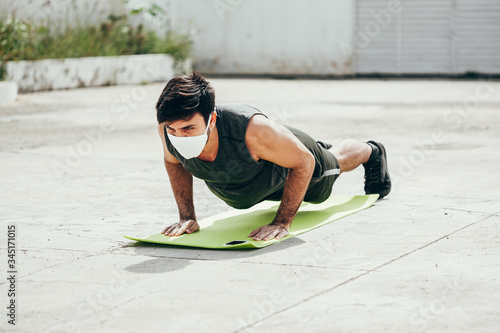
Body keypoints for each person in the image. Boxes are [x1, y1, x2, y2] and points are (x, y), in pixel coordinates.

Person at [156, 72, 391, 241]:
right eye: (172, 129)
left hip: (294, 167)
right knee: (292, 151)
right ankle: (291, 146)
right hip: (266, 168)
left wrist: (282, 221)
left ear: (212, 119)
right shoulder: (168, 129)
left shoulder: (253, 131)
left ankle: (371, 150)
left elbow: (304, 162)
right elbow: (173, 162)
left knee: (333, 162)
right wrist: (187, 216)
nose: (179, 136)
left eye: (189, 129)